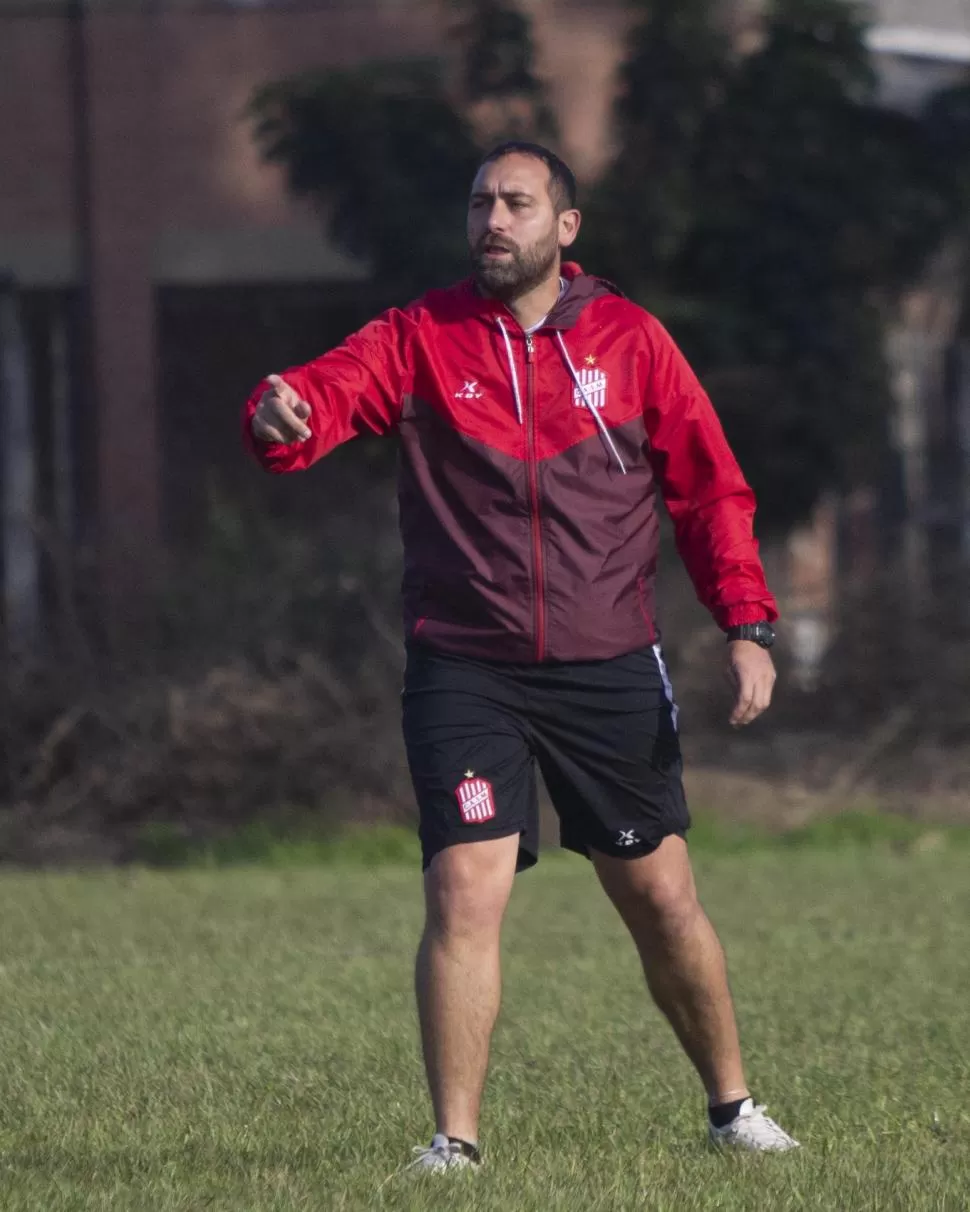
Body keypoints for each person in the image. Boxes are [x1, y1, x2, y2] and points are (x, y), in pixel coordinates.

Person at [243, 141, 799, 1167]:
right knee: (464, 889)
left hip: (609, 663)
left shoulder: (631, 342)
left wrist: (747, 625)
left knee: (660, 896)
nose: (492, 219)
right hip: (465, 666)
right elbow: (317, 396)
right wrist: (282, 413)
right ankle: (453, 1144)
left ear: (565, 227)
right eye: (479, 203)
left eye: (516, 202)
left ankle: (733, 1112)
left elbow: (709, 491)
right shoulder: (420, 336)